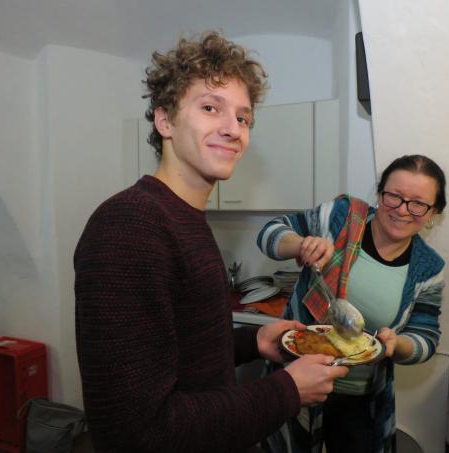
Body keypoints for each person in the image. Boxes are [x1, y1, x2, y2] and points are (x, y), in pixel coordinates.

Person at [74, 31, 348, 453]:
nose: (232, 129)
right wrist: (287, 390)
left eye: (243, 118)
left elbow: (182, 355)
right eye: (210, 108)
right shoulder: (130, 227)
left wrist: (252, 343)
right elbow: (136, 433)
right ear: (164, 121)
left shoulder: (183, 219)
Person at [257, 154, 447, 453]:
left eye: (418, 203)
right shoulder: (341, 217)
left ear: (433, 212)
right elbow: (269, 233)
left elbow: (426, 337)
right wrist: (301, 244)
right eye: (394, 196)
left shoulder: (429, 268)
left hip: (360, 398)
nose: (402, 210)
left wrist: (396, 344)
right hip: (296, 377)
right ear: (380, 194)